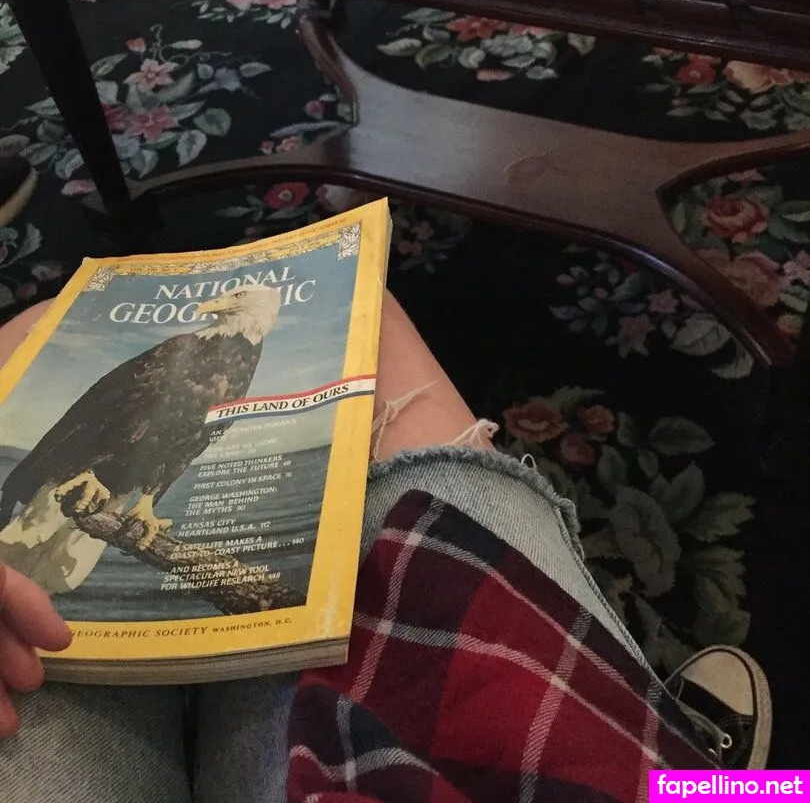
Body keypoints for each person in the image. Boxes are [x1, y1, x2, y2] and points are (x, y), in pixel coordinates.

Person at [0, 294, 771, 802]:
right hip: (550, 768)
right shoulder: (187, 356)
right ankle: (701, 771)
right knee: (373, 321)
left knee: (33, 325)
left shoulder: (223, 360)